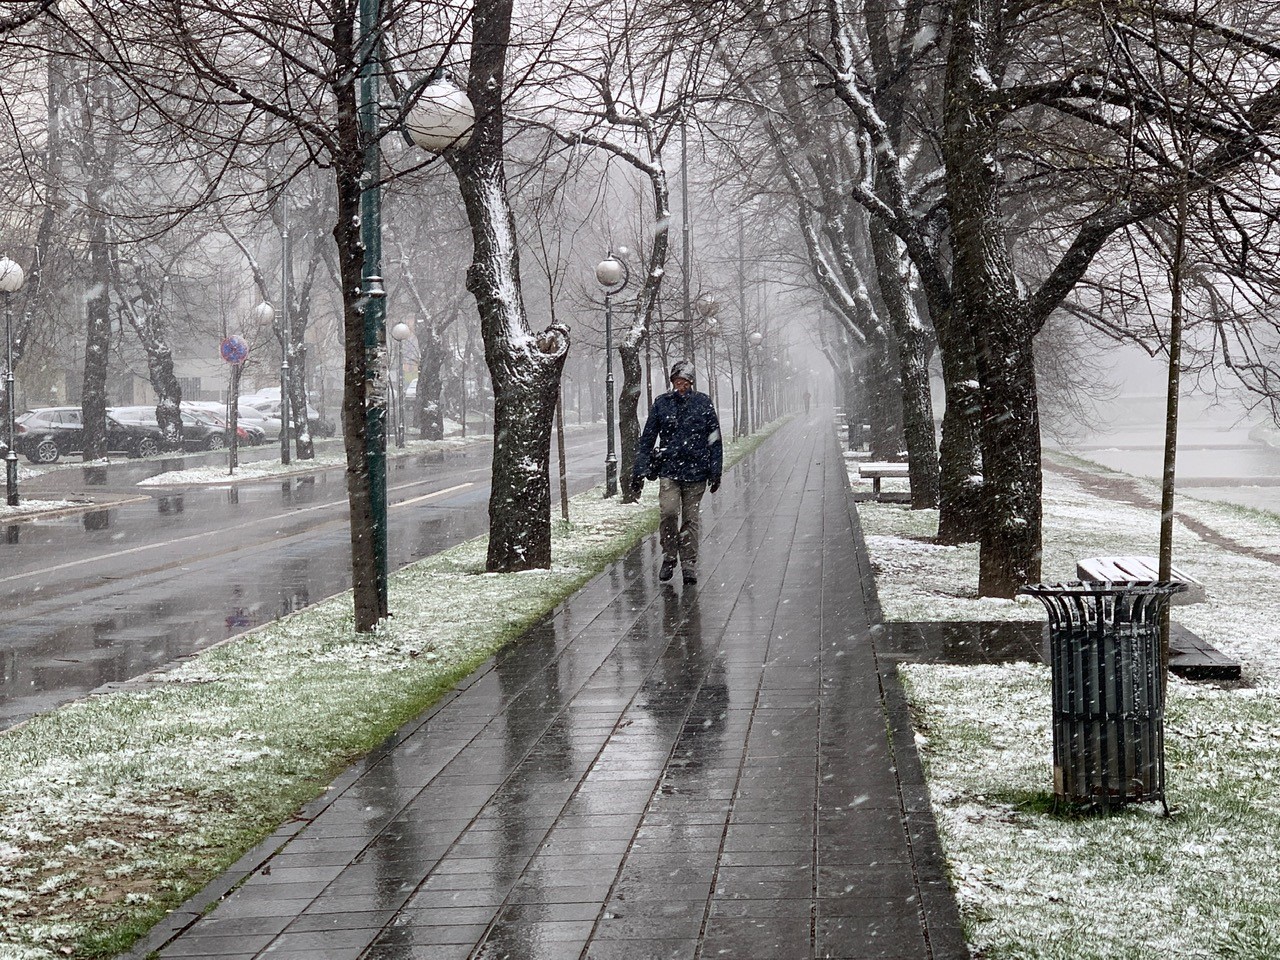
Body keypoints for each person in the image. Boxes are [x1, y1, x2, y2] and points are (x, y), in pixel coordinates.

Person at [631, 360, 723, 586]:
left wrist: (715, 470)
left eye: (684, 381)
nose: (680, 385)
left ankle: (689, 563)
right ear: (672, 382)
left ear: (691, 383)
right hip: (670, 470)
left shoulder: (703, 403)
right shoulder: (662, 404)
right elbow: (648, 438)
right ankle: (670, 555)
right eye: (676, 381)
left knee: (691, 519)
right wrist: (639, 471)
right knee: (669, 513)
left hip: (697, 471)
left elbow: (714, 438)